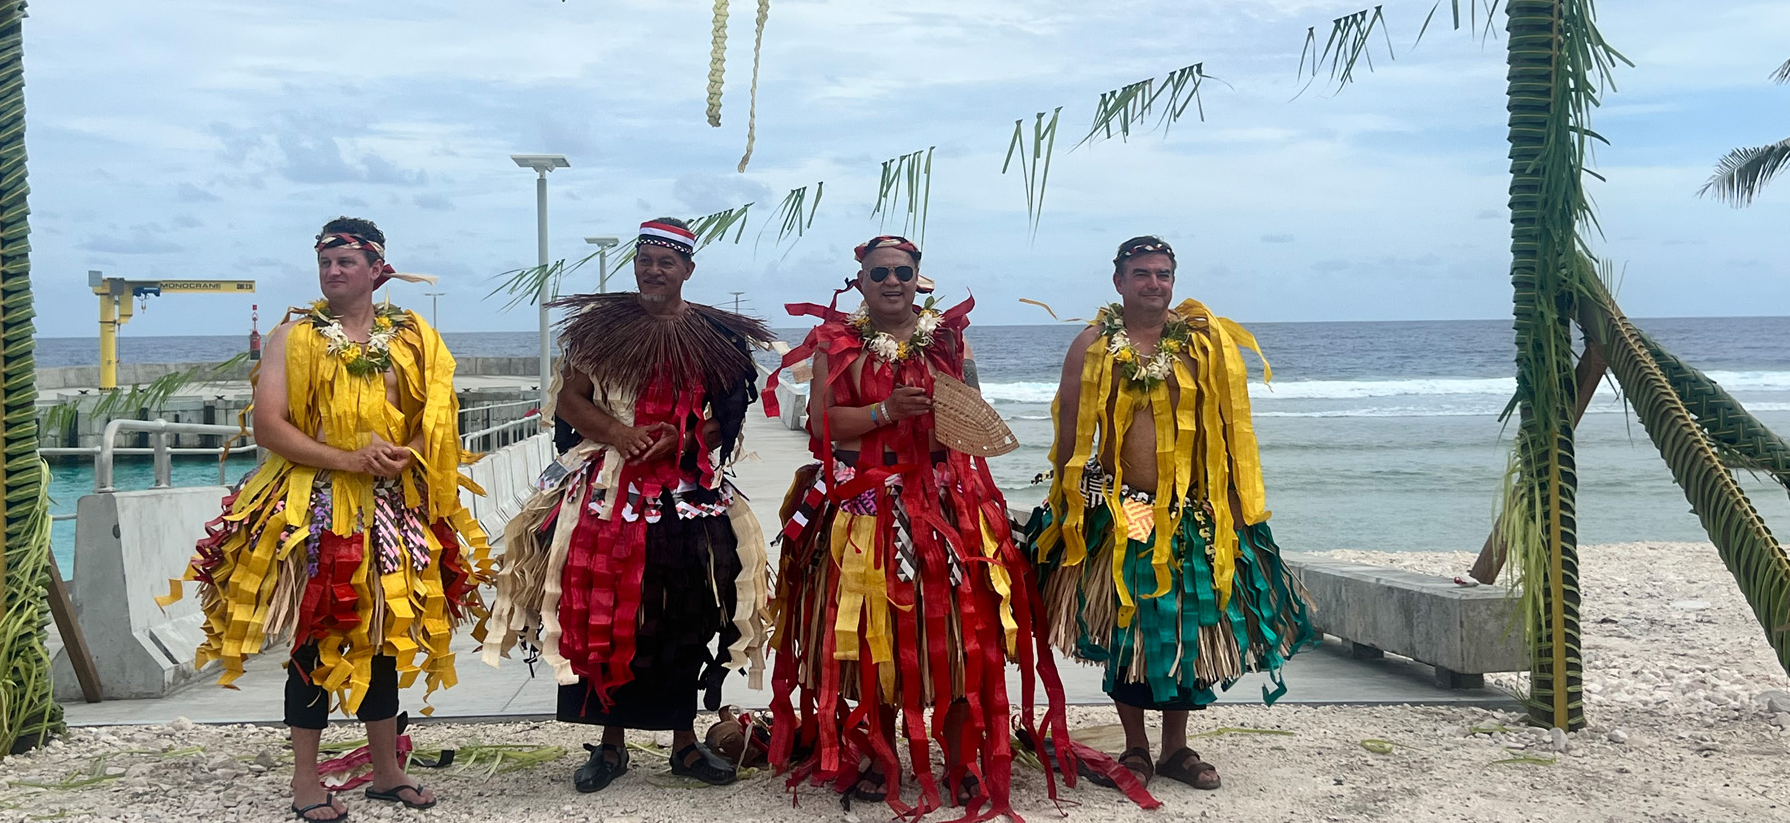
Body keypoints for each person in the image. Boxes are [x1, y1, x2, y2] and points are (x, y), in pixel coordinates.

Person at [761, 236, 1099, 819]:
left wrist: (953, 409)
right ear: (860, 281)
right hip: (864, 510)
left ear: (920, 279)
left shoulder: (948, 340)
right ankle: (878, 754)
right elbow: (821, 422)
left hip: (946, 510)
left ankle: (963, 760)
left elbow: (973, 417)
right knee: (872, 638)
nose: (892, 281)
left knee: (963, 639)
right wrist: (884, 413)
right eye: (880, 272)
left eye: (904, 272)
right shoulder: (836, 346)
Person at [165, 217, 488, 821]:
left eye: (345, 261)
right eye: (325, 262)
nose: (333, 271)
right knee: (316, 632)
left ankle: (387, 771)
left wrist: (407, 452)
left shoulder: (413, 337)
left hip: (392, 507)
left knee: (386, 633)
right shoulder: (294, 337)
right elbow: (269, 426)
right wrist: (348, 458)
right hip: (313, 508)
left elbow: (437, 413)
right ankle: (306, 781)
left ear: (377, 269)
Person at [481, 218, 775, 793]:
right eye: (645, 260)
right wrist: (618, 434)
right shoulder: (601, 330)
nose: (653, 270)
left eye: (666, 262)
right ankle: (609, 745)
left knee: (685, 614)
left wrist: (685, 441)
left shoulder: (717, 335)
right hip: (605, 493)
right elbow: (570, 399)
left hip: (687, 492)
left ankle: (684, 745)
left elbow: (731, 411)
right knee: (603, 608)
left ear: (688, 270)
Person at [1029, 235, 1316, 792]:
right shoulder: (1093, 345)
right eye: (1141, 274)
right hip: (1124, 509)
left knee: (1187, 625)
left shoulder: (1202, 345)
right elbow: (1069, 429)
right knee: (1132, 627)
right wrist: (1068, 491)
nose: (1153, 283)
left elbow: (1231, 426)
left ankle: (1175, 748)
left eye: (1162, 273)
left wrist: (1237, 505)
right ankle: (1135, 747)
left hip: (1193, 511)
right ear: (1119, 282)